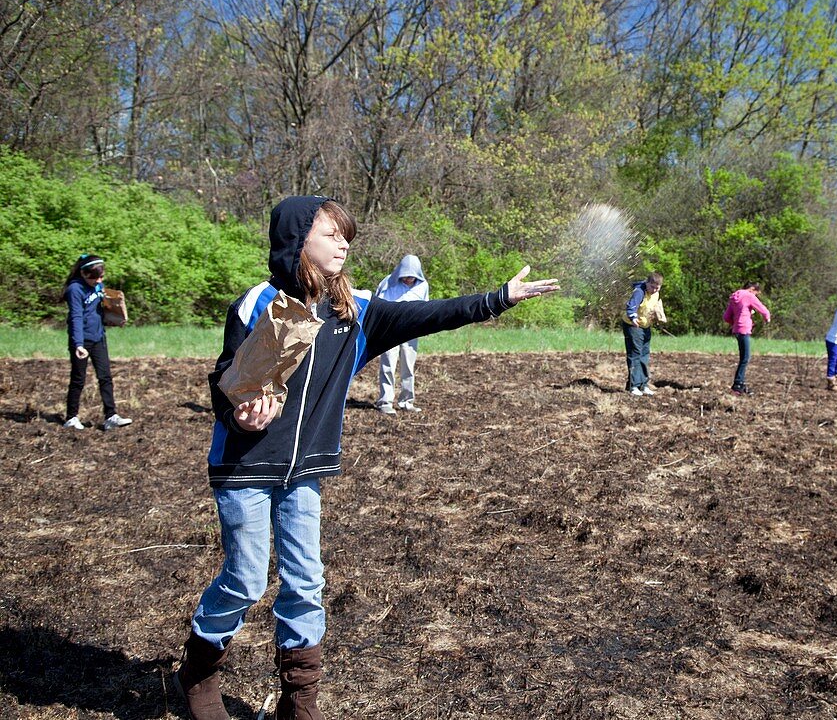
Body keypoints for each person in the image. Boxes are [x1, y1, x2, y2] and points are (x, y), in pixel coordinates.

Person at [174, 196, 558, 720]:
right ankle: (197, 673)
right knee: (244, 577)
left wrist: (499, 298)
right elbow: (224, 383)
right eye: (332, 234)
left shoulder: (353, 311)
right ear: (297, 240)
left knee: (306, 581)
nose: (344, 243)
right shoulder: (256, 303)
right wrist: (239, 412)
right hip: (245, 467)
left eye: (346, 235)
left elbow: (430, 315)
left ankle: (299, 701)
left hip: (305, 471)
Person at [61, 254, 133, 431]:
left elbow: (101, 309)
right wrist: (78, 344)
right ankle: (71, 417)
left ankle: (111, 416)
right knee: (78, 379)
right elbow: (76, 316)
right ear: (84, 274)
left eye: (101, 277)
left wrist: (116, 316)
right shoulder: (74, 289)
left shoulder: (98, 286)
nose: (99, 280)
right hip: (81, 340)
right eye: (95, 277)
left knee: (105, 377)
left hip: (99, 337)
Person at [374, 255, 429, 414]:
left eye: (412, 277)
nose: (408, 279)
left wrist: (424, 326)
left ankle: (406, 401)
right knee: (388, 365)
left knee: (408, 367)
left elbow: (424, 308)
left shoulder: (423, 285)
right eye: (406, 276)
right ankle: (385, 401)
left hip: (411, 330)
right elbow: (378, 306)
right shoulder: (388, 283)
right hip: (390, 329)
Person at [723, 282, 771, 395]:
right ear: (752, 289)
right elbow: (762, 308)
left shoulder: (735, 297)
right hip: (744, 329)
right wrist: (767, 317)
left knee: (743, 357)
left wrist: (735, 323)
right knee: (745, 358)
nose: (756, 296)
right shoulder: (749, 296)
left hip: (737, 330)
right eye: (756, 293)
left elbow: (726, 317)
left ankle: (741, 384)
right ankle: (737, 385)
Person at [621, 272, 663, 396]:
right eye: (652, 287)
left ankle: (643, 385)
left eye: (657, 287)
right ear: (647, 283)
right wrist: (633, 318)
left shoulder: (655, 294)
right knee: (635, 354)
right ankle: (633, 386)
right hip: (633, 326)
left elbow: (653, 307)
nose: (654, 290)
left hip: (645, 326)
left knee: (644, 355)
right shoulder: (639, 292)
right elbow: (631, 307)